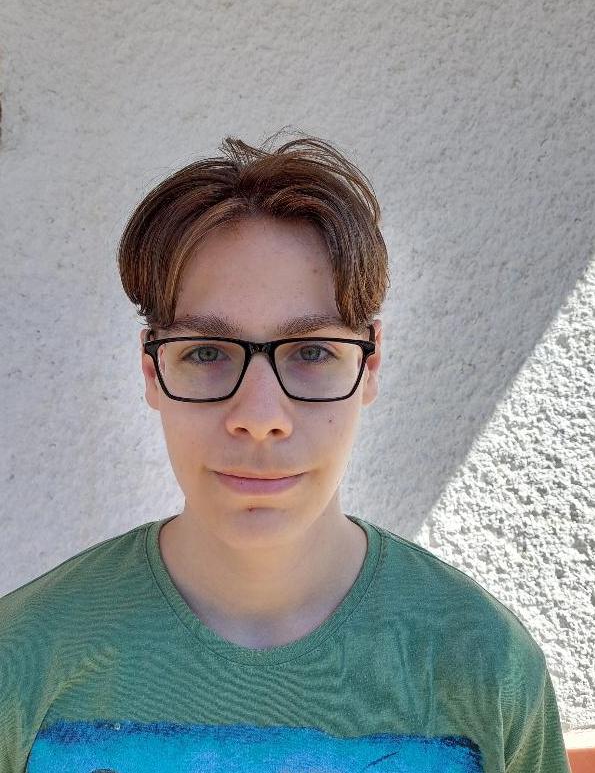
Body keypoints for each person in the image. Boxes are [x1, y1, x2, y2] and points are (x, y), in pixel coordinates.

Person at [0, 134, 571, 772]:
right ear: (151, 371)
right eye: (206, 353)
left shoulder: (485, 664)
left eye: (312, 352)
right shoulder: (21, 658)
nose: (260, 418)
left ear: (370, 364)